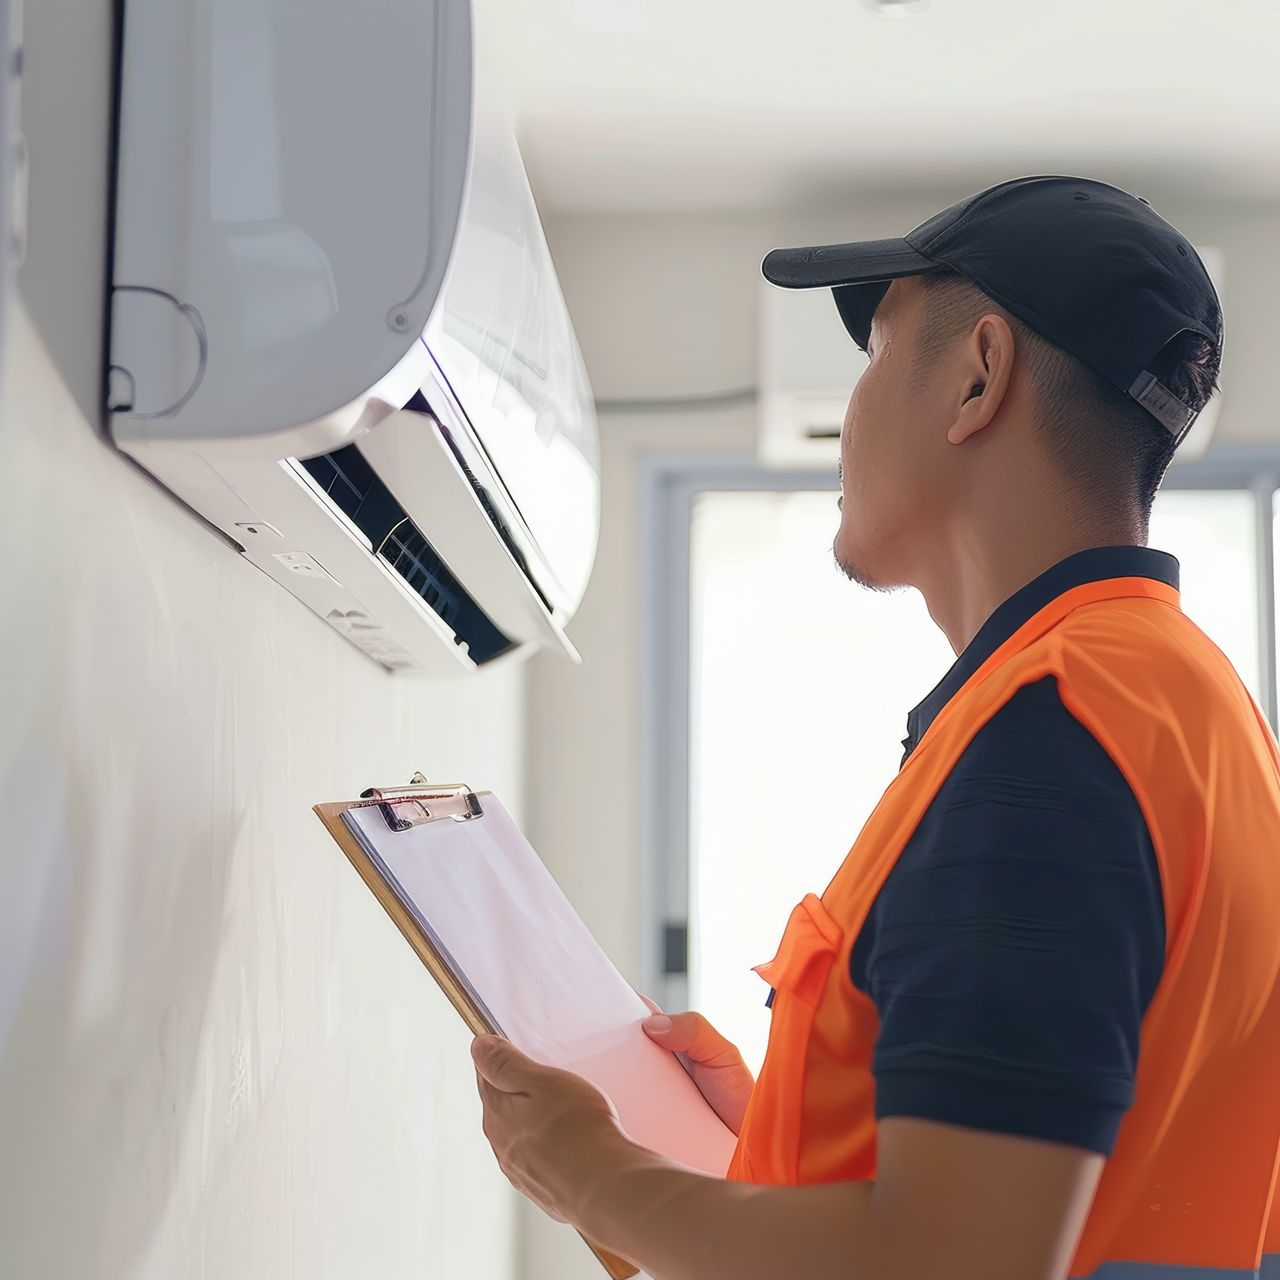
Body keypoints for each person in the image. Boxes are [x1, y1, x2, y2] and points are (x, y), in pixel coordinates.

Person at [471, 176, 1280, 1280]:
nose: (849, 413)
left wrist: (596, 1178)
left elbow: (954, 1259)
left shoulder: (1052, 738)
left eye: (873, 354)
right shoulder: (1178, 702)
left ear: (978, 376)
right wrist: (774, 1133)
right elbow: (1050, 1180)